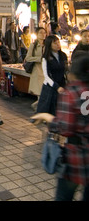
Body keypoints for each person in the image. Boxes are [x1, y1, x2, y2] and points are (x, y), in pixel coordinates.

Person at [32, 53, 89, 201]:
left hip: (76, 157)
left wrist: (47, 117)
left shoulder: (71, 92)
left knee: (63, 197)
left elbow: (66, 128)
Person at [36, 34, 67, 116]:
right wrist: (56, 86)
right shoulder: (46, 58)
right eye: (55, 43)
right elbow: (46, 76)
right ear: (49, 44)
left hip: (61, 84)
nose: (58, 45)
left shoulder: (63, 56)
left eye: (58, 43)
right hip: (50, 87)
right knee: (49, 112)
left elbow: (65, 70)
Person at [24, 27, 46, 111]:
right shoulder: (33, 45)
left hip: (45, 71)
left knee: (44, 92)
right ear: (37, 34)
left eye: (44, 32)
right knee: (40, 92)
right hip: (37, 71)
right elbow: (28, 58)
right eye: (41, 32)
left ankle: (36, 106)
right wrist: (39, 59)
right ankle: (41, 111)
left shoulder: (47, 45)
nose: (43, 34)